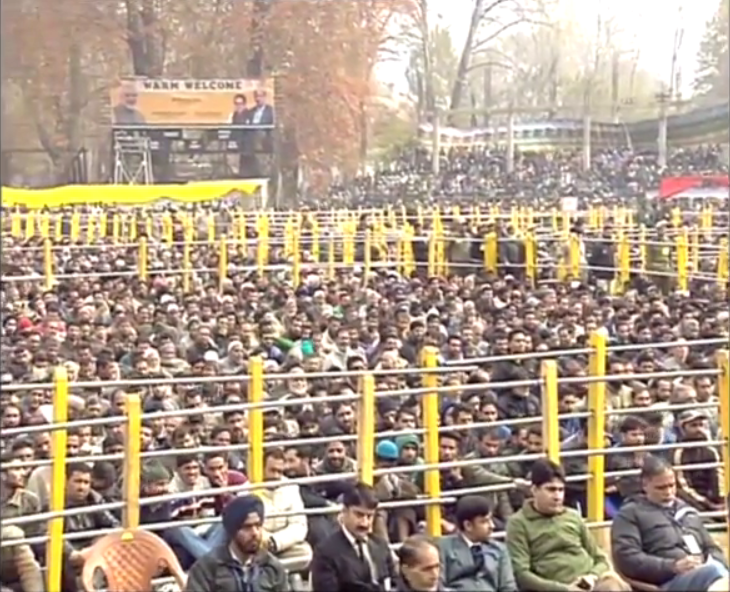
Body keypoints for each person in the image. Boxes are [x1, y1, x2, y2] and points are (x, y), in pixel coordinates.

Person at [610, 456, 728, 591]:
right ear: (645, 485)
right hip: (666, 581)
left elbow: (711, 547)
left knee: (716, 571)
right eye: (661, 488)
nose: (668, 492)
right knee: (713, 573)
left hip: (704, 571)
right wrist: (672, 566)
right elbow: (627, 558)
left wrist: (713, 560)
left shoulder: (687, 511)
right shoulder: (630, 514)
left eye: (672, 485)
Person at [506, 459, 609, 591]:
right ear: (534, 490)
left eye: (561, 490)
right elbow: (521, 574)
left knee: (613, 585)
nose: (557, 496)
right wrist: (564, 589)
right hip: (554, 587)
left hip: (590, 583)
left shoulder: (573, 516)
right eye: (551, 489)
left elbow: (600, 558)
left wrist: (592, 576)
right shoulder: (518, 523)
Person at [183, 494, 290, 592]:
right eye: (247, 527)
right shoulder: (208, 568)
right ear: (233, 531)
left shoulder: (272, 567)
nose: (255, 533)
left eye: (258, 526)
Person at [310, 481, 396, 592]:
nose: (364, 523)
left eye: (369, 516)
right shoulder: (325, 552)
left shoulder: (381, 546)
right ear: (344, 511)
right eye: (359, 515)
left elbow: (394, 583)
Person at [436, 495, 517, 591]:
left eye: (491, 520)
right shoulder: (444, 547)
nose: (492, 526)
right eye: (484, 522)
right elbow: (439, 585)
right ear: (468, 525)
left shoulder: (499, 550)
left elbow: (508, 587)